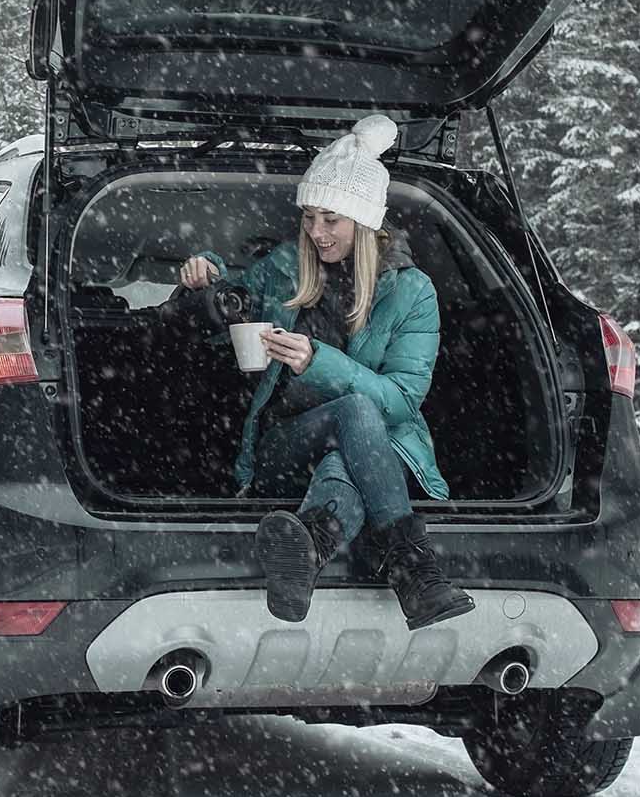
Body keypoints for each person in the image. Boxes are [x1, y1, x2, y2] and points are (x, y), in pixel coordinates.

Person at [178, 114, 474, 630]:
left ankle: (309, 545)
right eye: (309, 217)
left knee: (348, 451)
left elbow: (402, 401)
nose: (316, 232)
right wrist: (204, 272)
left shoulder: (412, 293)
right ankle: (415, 573)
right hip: (285, 446)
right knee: (352, 416)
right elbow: (232, 294)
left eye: (331, 220)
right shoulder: (290, 266)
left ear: (364, 221)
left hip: (380, 448)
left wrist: (320, 362)